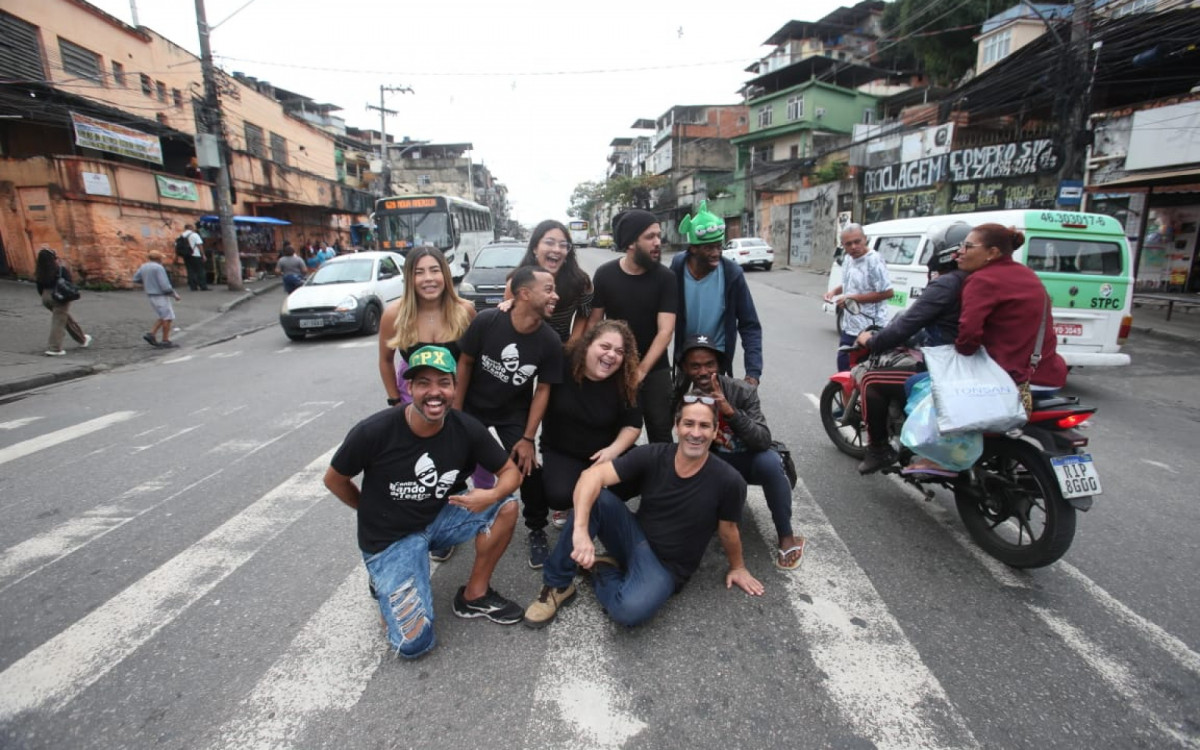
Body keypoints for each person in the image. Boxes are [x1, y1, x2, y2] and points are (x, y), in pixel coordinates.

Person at [324, 346, 525, 659]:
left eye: (443, 383)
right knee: (415, 644)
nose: (435, 392)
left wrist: (493, 493)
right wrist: (369, 511)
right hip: (391, 539)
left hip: (437, 519)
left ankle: (474, 595)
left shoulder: (465, 427)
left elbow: (510, 473)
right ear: (409, 388)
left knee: (507, 507)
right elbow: (334, 479)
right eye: (423, 383)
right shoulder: (374, 431)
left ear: (455, 388)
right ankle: (383, 576)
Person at [522, 397, 764, 629]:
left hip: (666, 567)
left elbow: (728, 530)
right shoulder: (655, 454)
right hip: (634, 538)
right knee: (596, 496)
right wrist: (581, 531)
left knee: (627, 611)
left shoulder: (729, 481)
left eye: (704, 426)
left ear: (714, 432)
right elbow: (591, 476)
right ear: (677, 426)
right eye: (689, 423)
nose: (696, 433)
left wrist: (738, 567)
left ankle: (602, 570)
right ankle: (557, 585)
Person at [454, 265, 564, 567]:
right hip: (473, 405)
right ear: (524, 294)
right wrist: (456, 412)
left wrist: (528, 438)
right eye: (549, 289)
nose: (556, 295)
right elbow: (464, 362)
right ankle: (442, 524)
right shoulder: (488, 321)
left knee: (527, 466)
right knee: (451, 457)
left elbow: (543, 390)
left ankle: (536, 528)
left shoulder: (549, 341)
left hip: (512, 412)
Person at [378, 246, 476, 562]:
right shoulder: (394, 313)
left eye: (434, 270)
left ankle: (450, 525)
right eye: (419, 272)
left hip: (456, 399)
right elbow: (384, 359)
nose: (428, 278)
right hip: (414, 402)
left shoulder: (465, 310)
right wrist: (395, 402)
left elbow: (470, 361)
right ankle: (423, 529)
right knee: (418, 469)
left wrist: (458, 406)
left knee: (452, 465)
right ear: (409, 278)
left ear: (445, 275)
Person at [673, 335, 804, 570]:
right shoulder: (687, 398)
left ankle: (787, 535)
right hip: (718, 464)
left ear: (719, 366)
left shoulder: (743, 391)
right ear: (685, 368)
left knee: (770, 462)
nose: (703, 372)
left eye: (709, 364)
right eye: (695, 365)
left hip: (750, 459)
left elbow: (763, 440)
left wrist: (729, 411)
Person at [853, 222, 971, 475]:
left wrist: (872, 341)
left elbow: (907, 324)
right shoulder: (979, 280)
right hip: (982, 364)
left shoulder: (948, 284)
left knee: (872, 381)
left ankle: (879, 449)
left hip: (949, 367)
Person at [526, 320, 643, 567]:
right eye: (606, 346)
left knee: (646, 472)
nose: (612, 355)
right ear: (588, 345)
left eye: (619, 351)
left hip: (604, 454)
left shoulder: (625, 378)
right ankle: (548, 520)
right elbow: (528, 336)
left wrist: (613, 451)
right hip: (562, 449)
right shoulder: (561, 362)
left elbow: (633, 426)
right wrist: (509, 305)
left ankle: (606, 508)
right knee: (558, 494)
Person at [955, 223, 1068, 408]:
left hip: (1011, 379)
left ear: (992, 252)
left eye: (968, 246)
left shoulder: (983, 280)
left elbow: (968, 334)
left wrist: (959, 355)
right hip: (1048, 376)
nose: (960, 251)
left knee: (917, 384)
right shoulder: (1027, 274)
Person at [588, 209, 678, 443]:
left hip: (655, 368)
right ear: (630, 243)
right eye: (650, 237)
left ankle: (662, 479)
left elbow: (666, 331)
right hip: (615, 365)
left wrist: (640, 371)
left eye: (659, 235)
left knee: (660, 433)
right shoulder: (605, 275)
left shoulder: (666, 278)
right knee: (615, 432)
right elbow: (594, 324)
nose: (658, 242)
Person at [670, 201, 763, 385]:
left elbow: (749, 324)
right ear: (693, 249)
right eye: (709, 248)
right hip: (685, 357)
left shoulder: (732, 274)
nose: (716, 253)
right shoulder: (677, 267)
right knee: (679, 409)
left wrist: (753, 372)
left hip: (716, 357)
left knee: (717, 409)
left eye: (719, 246)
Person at [503, 220, 594, 346]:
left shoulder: (581, 281)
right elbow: (508, 322)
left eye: (563, 245)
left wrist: (571, 344)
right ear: (535, 248)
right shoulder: (516, 283)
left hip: (562, 349)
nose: (557, 249)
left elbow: (584, 314)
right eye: (549, 243)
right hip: (525, 350)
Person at [824, 224, 894, 371]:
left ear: (865, 240)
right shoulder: (849, 259)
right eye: (848, 244)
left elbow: (887, 293)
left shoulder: (874, 260)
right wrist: (834, 292)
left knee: (862, 375)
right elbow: (850, 283)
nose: (854, 247)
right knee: (843, 371)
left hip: (870, 329)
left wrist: (854, 298)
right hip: (849, 328)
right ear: (843, 245)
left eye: (857, 241)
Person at [34, 247, 91, 357]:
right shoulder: (60, 270)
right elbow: (69, 282)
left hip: (46, 297)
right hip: (59, 296)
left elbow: (39, 287)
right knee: (58, 322)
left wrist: (45, 296)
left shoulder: (40, 271)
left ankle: (82, 338)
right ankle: (54, 348)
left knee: (65, 319)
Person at [132, 250, 182, 349]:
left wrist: (147, 283)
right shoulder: (158, 268)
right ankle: (165, 339)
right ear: (159, 258)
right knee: (167, 318)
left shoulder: (144, 266)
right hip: (160, 294)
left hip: (151, 294)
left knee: (164, 316)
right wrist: (174, 294)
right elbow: (164, 285)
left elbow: (136, 279)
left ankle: (152, 333)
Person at [178, 224, 208, 291]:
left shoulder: (181, 235)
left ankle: (193, 287)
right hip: (196, 254)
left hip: (186, 255)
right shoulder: (195, 235)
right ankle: (203, 286)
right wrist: (203, 254)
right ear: (191, 228)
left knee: (190, 271)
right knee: (200, 270)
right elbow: (199, 245)